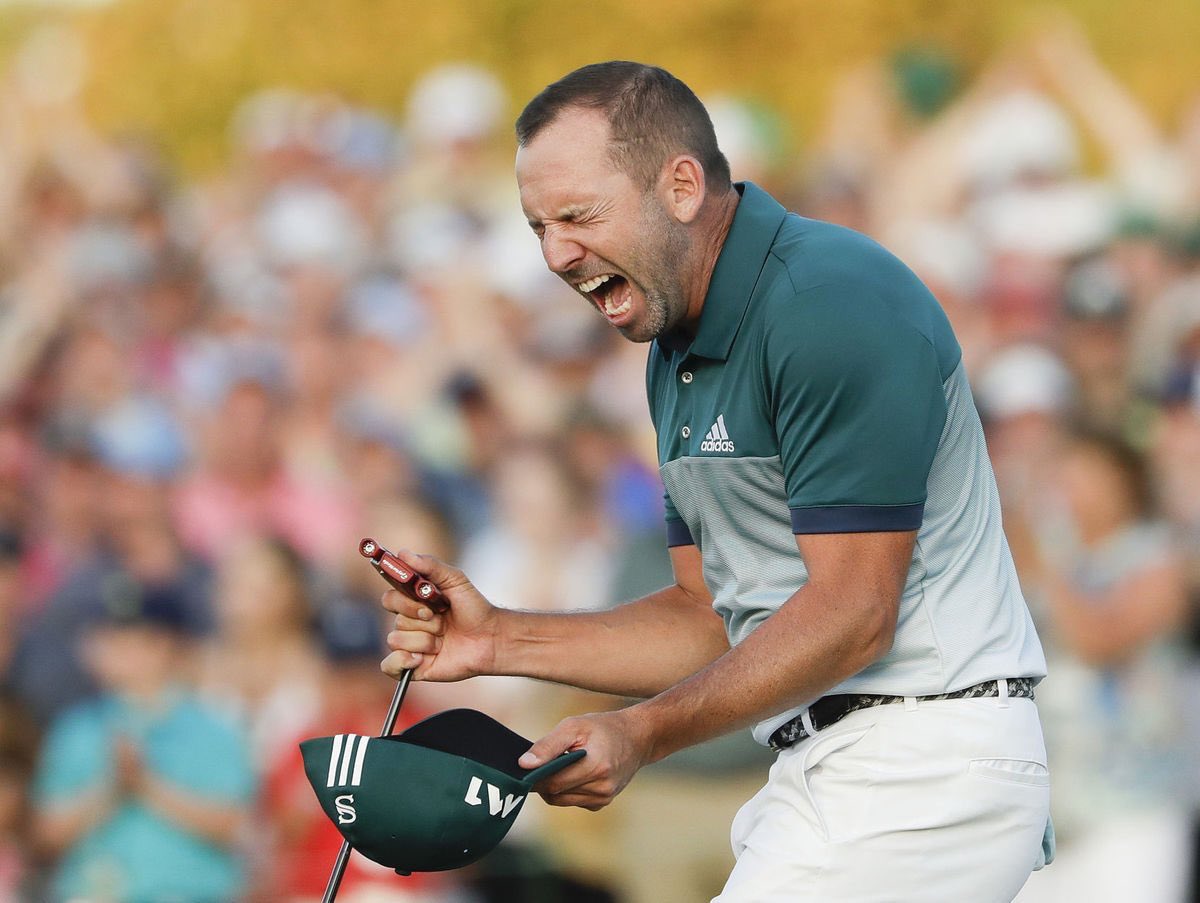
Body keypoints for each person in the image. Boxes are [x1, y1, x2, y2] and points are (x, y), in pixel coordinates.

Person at [381, 61, 1051, 902]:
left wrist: (641, 731)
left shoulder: (827, 301)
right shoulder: (674, 345)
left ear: (684, 186)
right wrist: (500, 639)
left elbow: (854, 612)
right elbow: (711, 618)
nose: (555, 254)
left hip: (921, 764)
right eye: (538, 227)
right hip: (836, 769)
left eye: (578, 216)